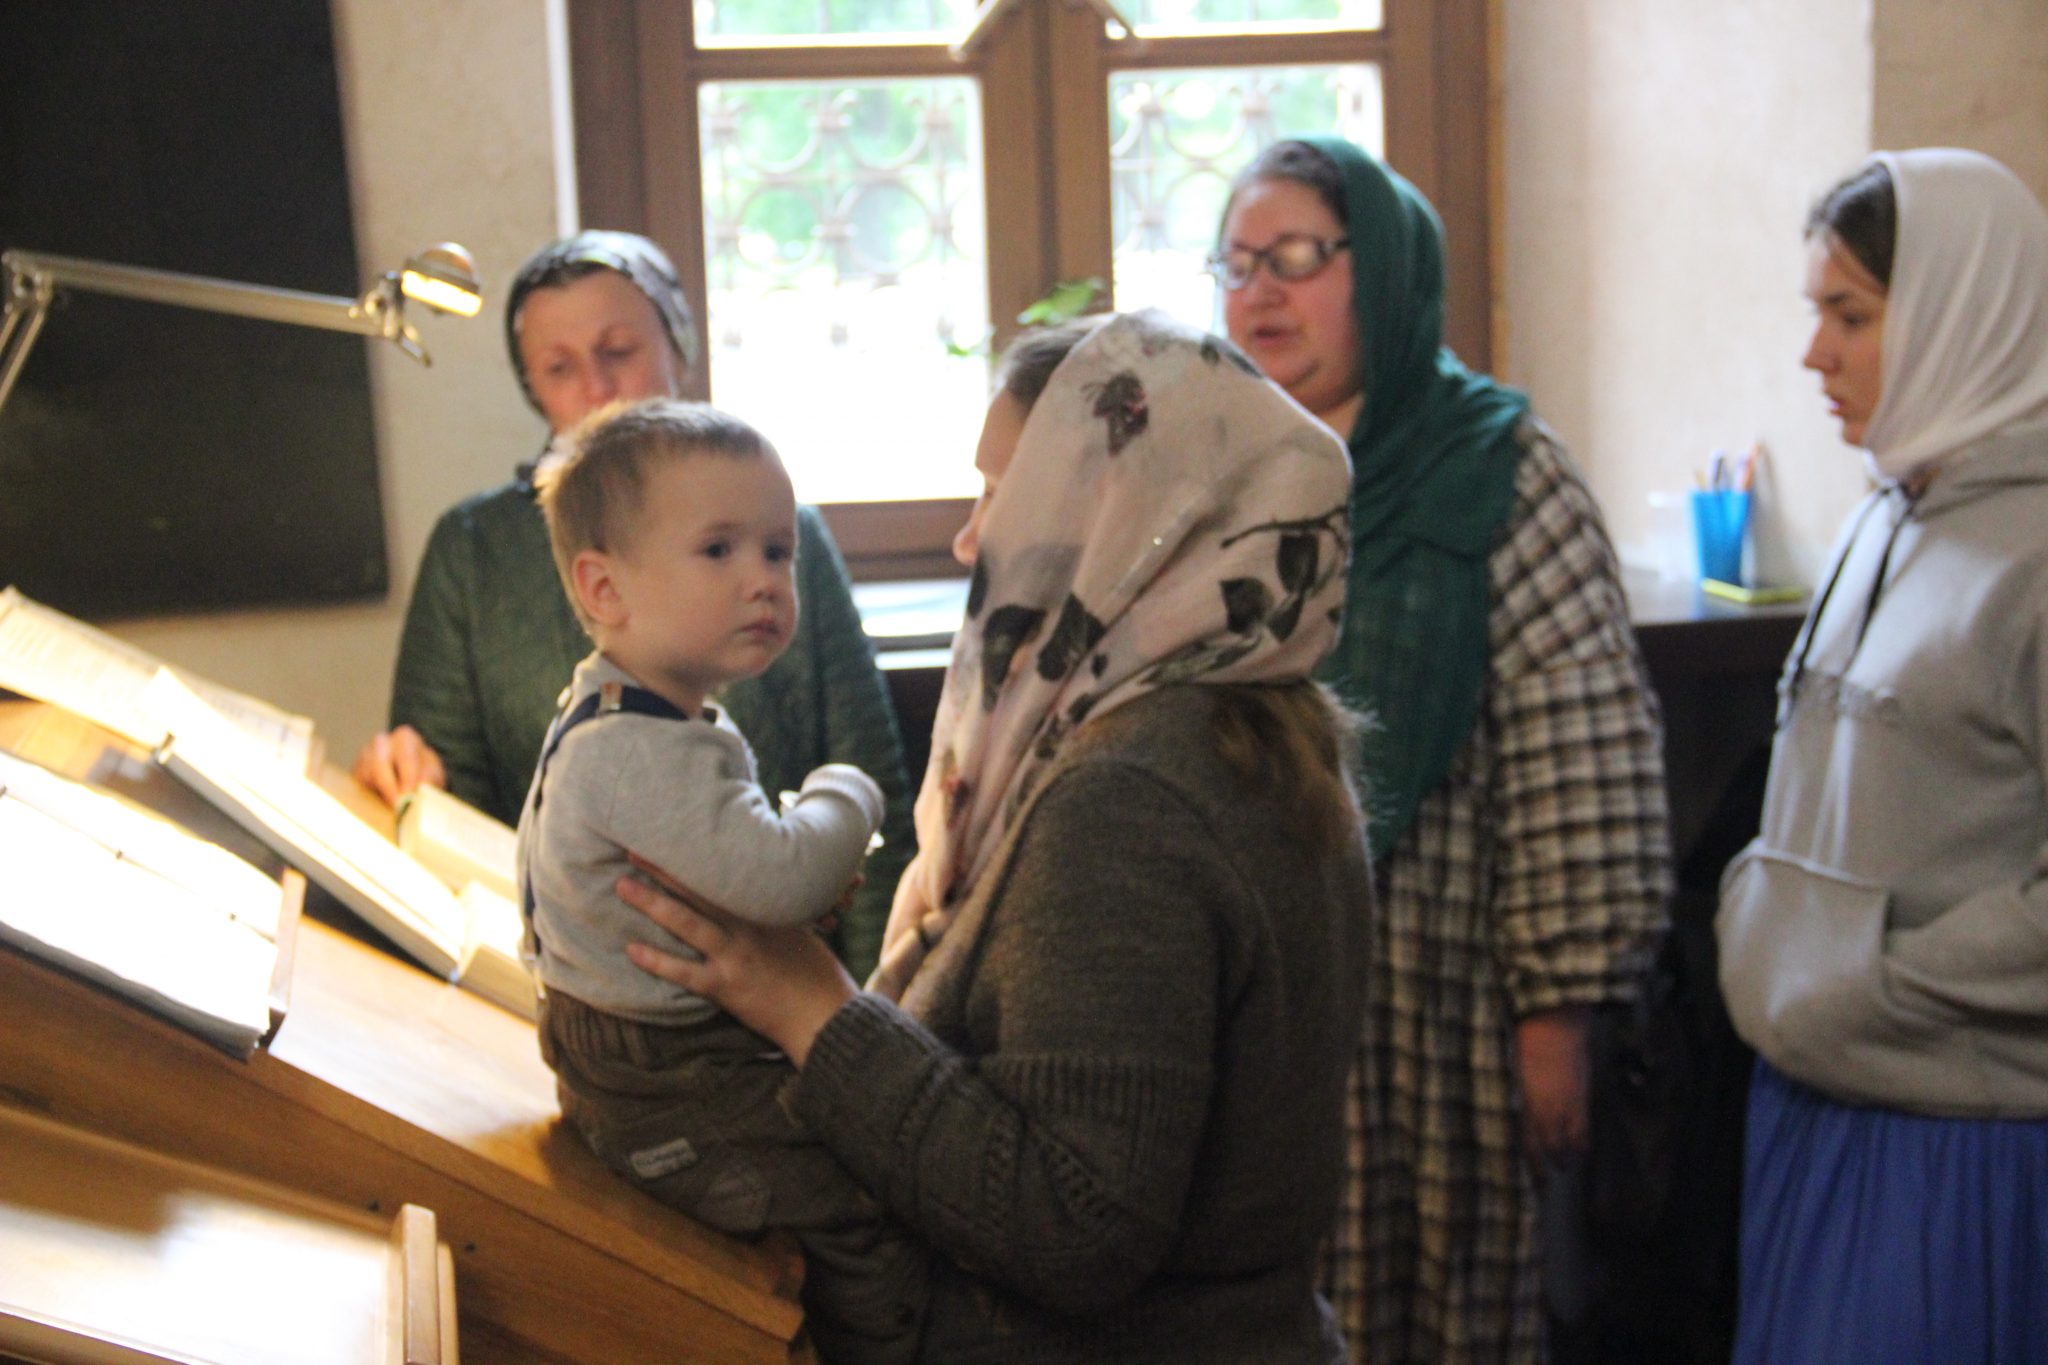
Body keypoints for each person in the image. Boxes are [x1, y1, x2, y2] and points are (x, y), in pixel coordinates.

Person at [613, 309, 1375, 1362]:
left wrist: (810, 1008)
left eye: (1000, 493)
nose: (969, 541)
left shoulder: (1130, 796)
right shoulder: (1237, 714)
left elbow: (1075, 1225)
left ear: (1124, 514)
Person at [1214, 136, 1672, 1363]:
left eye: (1296, 257)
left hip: (1443, 1003)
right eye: (1237, 263)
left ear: (1387, 270)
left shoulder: (1496, 473)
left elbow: (1578, 755)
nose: (1259, 293)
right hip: (1262, 1004)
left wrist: (1557, 1014)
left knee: (1444, 1309)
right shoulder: (1216, 473)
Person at [352, 230, 913, 981]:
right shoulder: (473, 547)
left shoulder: (781, 538)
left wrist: (876, 1006)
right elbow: (450, 816)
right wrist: (410, 782)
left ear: (679, 348)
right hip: (566, 980)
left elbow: (868, 782)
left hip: (791, 980)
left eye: (619, 351)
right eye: (559, 368)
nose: (596, 388)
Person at [1715, 148, 2048, 1363]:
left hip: (1959, 1139)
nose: (1816, 354)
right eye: (1817, 313)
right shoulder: (1882, 509)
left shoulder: (2033, 555)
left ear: (1963, 311)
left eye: (1849, 316)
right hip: (1817, 1103)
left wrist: (1870, 982)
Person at [519, 398, 924, 1364]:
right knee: (861, 1204)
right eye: (719, 550)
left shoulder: (631, 710)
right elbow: (784, 877)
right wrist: (847, 789)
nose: (764, 581)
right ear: (604, 587)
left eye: (779, 551)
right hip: (667, 1074)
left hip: (648, 1052)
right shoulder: (637, 748)